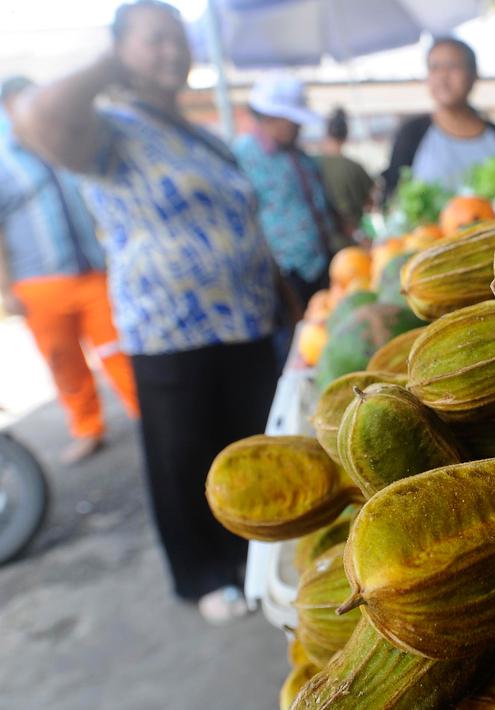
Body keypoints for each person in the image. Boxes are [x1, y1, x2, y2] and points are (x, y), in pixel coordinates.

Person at [9, 0, 289, 624]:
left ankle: (252, 556)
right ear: (119, 51)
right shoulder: (105, 128)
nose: (171, 51)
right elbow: (38, 119)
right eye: (151, 41)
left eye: (176, 39)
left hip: (245, 323)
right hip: (170, 330)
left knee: (247, 445)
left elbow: (242, 222)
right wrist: (113, 65)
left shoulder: (200, 134)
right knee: (184, 454)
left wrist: (285, 305)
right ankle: (203, 577)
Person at [0, 76, 140, 464]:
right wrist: (6, 288)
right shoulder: (4, 159)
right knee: (64, 362)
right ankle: (87, 428)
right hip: (39, 281)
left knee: (119, 349)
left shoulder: (63, 145)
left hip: (93, 272)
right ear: (10, 106)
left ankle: (146, 416)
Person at [233, 75, 337, 310]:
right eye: (292, 121)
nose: (299, 126)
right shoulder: (243, 156)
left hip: (321, 264)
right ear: (270, 117)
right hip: (285, 274)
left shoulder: (300, 157)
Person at [381, 37, 495, 198]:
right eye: (434, 67)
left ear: (474, 74)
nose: (443, 76)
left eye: (453, 66)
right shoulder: (412, 135)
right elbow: (392, 195)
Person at [316, 107, 374, 241]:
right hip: (351, 242)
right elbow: (371, 203)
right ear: (346, 134)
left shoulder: (312, 164)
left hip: (320, 241)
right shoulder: (355, 167)